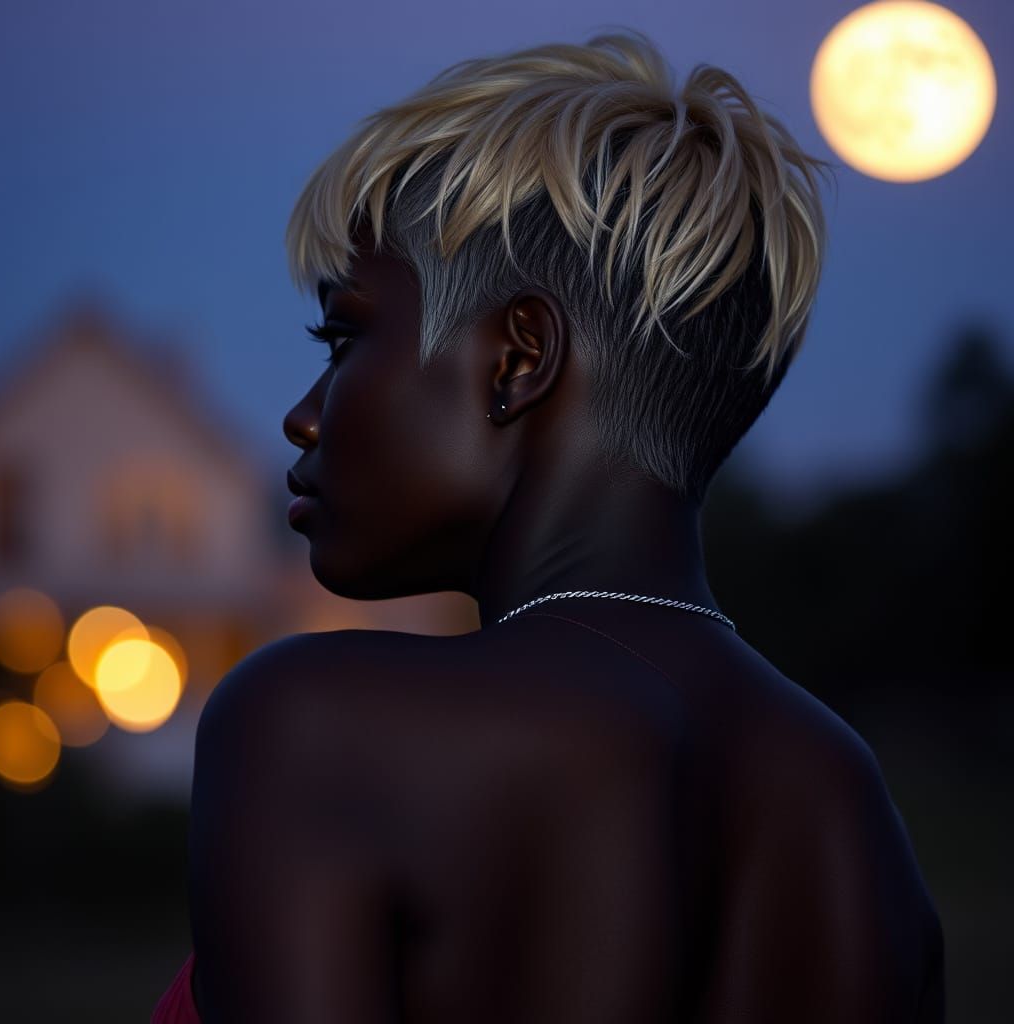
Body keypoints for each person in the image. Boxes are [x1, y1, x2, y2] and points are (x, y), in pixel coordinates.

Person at [153, 29, 945, 1023]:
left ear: (517, 358)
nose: (305, 412)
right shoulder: (852, 814)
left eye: (346, 335)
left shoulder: (320, 724)